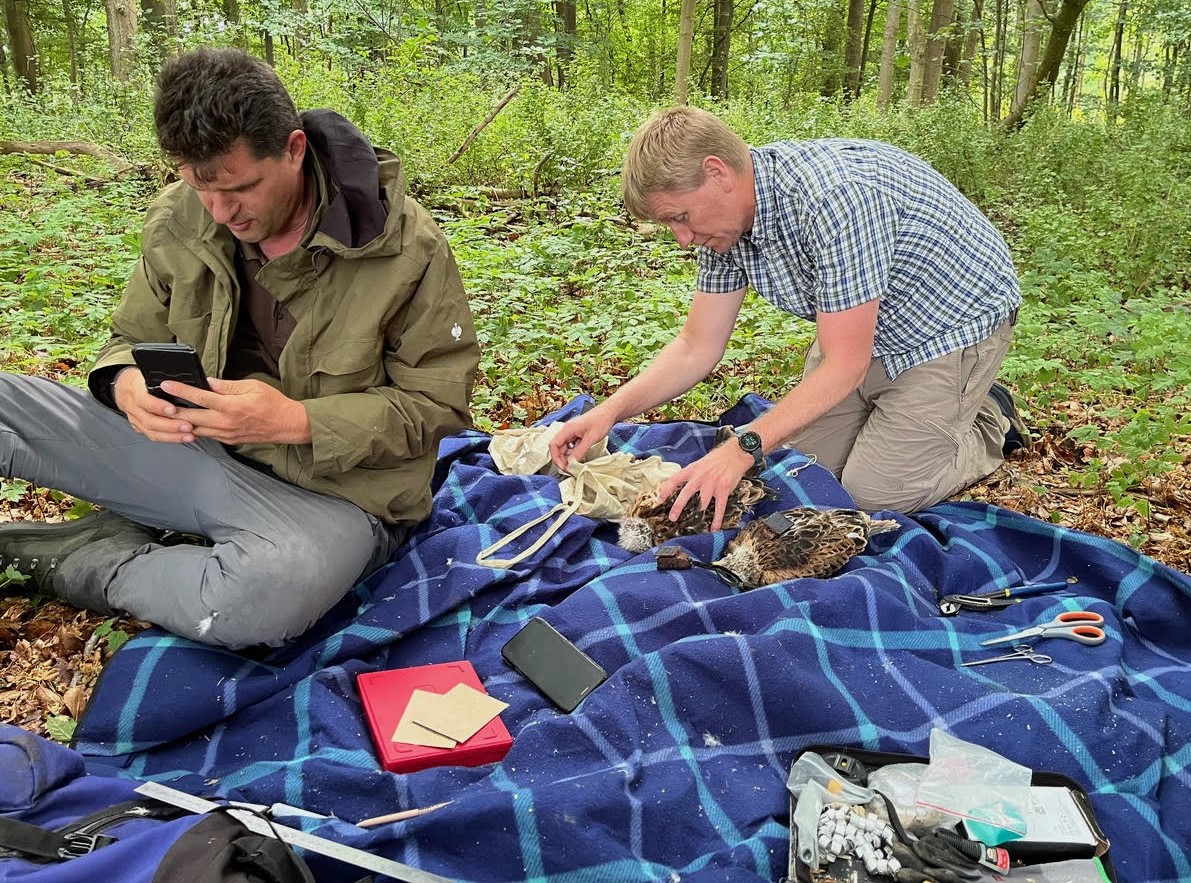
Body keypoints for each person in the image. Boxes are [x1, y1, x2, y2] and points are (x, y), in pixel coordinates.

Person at [0, 48, 479, 648]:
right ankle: (152, 530)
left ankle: (74, 558)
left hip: (332, 501)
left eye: (242, 187)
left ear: (295, 150)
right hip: (192, 454)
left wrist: (300, 421)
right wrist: (123, 384)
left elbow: (439, 403)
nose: (222, 211)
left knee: (261, 597)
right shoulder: (181, 217)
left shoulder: (406, 249)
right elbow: (130, 339)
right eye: (199, 186)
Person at [549, 106, 1029, 530]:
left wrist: (740, 449)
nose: (681, 238)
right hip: (860, 324)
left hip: (947, 327)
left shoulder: (835, 199)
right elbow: (698, 346)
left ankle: (991, 419)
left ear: (717, 173)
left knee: (874, 496)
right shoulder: (723, 226)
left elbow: (845, 364)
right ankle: (916, 421)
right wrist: (607, 413)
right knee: (807, 472)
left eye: (680, 217)